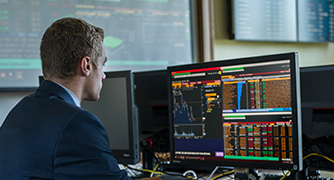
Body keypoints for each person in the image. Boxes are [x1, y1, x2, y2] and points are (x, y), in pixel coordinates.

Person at [0, 17, 149, 179]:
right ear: (86, 66)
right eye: (102, 64)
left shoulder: (20, 110)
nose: (103, 75)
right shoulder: (77, 124)